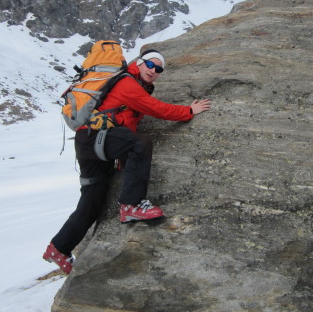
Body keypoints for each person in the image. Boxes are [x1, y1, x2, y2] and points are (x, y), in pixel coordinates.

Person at [43, 48, 212, 274]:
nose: (154, 71)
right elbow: (155, 109)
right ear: (139, 64)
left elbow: (125, 122)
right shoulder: (126, 83)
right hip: (96, 138)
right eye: (150, 65)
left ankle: (59, 248)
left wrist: (123, 155)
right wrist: (189, 110)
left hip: (88, 142)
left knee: (93, 201)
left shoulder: (129, 85)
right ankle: (132, 204)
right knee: (140, 143)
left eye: (159, 68)